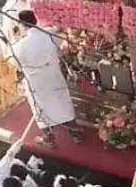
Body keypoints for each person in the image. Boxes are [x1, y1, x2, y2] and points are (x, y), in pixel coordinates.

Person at [9, 9, 82, 147]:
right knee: (62, 103)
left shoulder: (20, 45)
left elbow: (14, 63)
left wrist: (16, 40)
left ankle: (49, 138)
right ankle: (75, 133)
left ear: (21, 25)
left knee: (41, 108)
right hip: (53, 74)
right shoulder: (48, 34)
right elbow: (61, 37)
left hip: (36, 81)